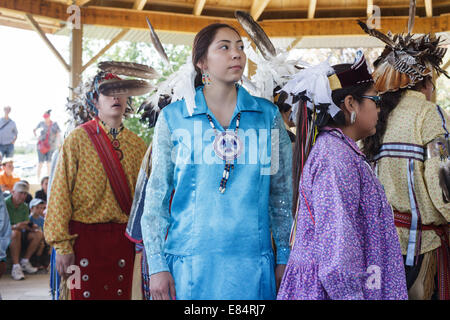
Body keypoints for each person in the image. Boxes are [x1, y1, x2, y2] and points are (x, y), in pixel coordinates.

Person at [140, 23, 292, 300]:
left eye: (241, 47)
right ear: (201, 62)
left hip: (252, 267)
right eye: (224, 47)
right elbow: (157, 197)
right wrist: (157, 265)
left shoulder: (267, 117)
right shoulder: (174, 118)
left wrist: (284, 255)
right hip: (188, 266)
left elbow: (281, 194)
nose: (237, 54)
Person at [276, 53, 408, 300]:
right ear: (350, 104)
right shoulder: (335, 158)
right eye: (375, 100)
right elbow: (338, 248)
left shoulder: (340, 151)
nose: (380, 109)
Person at [359, 19, 450, 300]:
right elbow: (442, 180)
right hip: (420, 246)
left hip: (378, 244)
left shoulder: (376, 116)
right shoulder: (428, 113)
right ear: (426, 81)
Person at [44, 70, 149, 300]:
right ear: (95, 100)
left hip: (124, 242)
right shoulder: (78, 139)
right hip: (82, 240)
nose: (116, 98)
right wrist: (62, 246)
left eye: (121, 92)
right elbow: (59, 194)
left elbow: (145, 200)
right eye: (108, 92)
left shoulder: (138, 145)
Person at [6, 181, 43, 280]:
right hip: (7, 234)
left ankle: (25, 261)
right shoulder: (4, 204)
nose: (23, 196)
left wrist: (31, 226)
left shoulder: (24, 207)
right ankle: (16, 266)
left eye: (25, 193)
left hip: (20, 233)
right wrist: (16, 226)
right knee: (15, 232)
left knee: (38, 233)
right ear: (13, 192)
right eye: (21, 193)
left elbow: (25, 223)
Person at [34, 110, 61, 183]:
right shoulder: (41, 123)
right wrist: (37, 137)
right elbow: (34, 130)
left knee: (49, 163)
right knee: (40, 162)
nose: (45, 118)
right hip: (41, 146)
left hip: (51, 146)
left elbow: (58, 133)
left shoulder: (54, 124)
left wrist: (58, 143)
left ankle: (49, 179)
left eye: (46, 116)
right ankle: (38, 179)